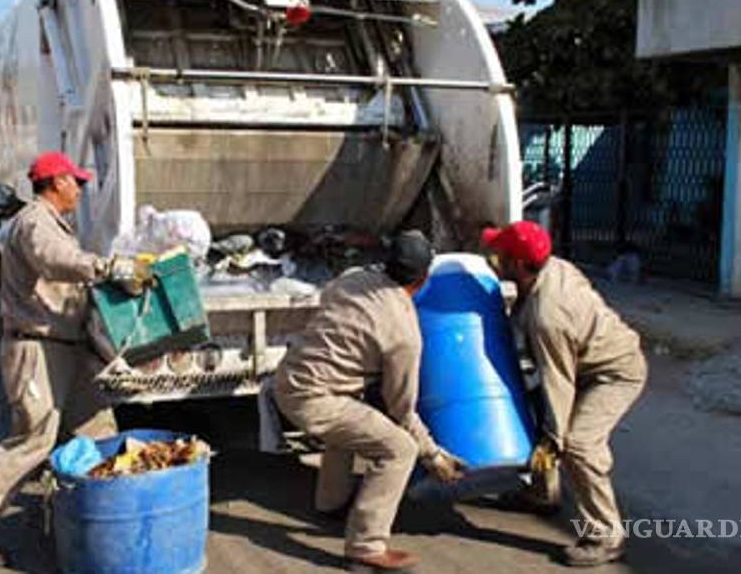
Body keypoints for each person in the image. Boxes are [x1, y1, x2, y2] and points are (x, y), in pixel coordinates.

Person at [0, 152, 149, 567]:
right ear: (57, 182)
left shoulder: (55, 224)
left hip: (67, 349)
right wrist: (110, 267)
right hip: (36, 349)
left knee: (99, 432)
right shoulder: (35, 222)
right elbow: (55, 262)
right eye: (77, 182)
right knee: (32, 441)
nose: (81, 190)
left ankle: (95, 519)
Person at [273, 232, 468, 572]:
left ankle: (331, 503)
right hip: (313, 397)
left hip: (289, 378)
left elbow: (334, 300)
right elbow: (402, 411)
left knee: (352, 421)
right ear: (423, 280)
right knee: (399, 449)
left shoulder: (353, 278)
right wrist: (433, 455)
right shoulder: (403, 332)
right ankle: (365, 547)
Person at [482, 221, 647, 567]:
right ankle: (543, 494)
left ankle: (605, 535)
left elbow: (558, 380)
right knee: (532, 405)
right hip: (582, 361)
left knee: (578, 444)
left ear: (519, 264)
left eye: (501, 254)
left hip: (614, 373)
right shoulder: (551, 268)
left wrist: (554, 438)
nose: (494, 257)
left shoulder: (549, 316)